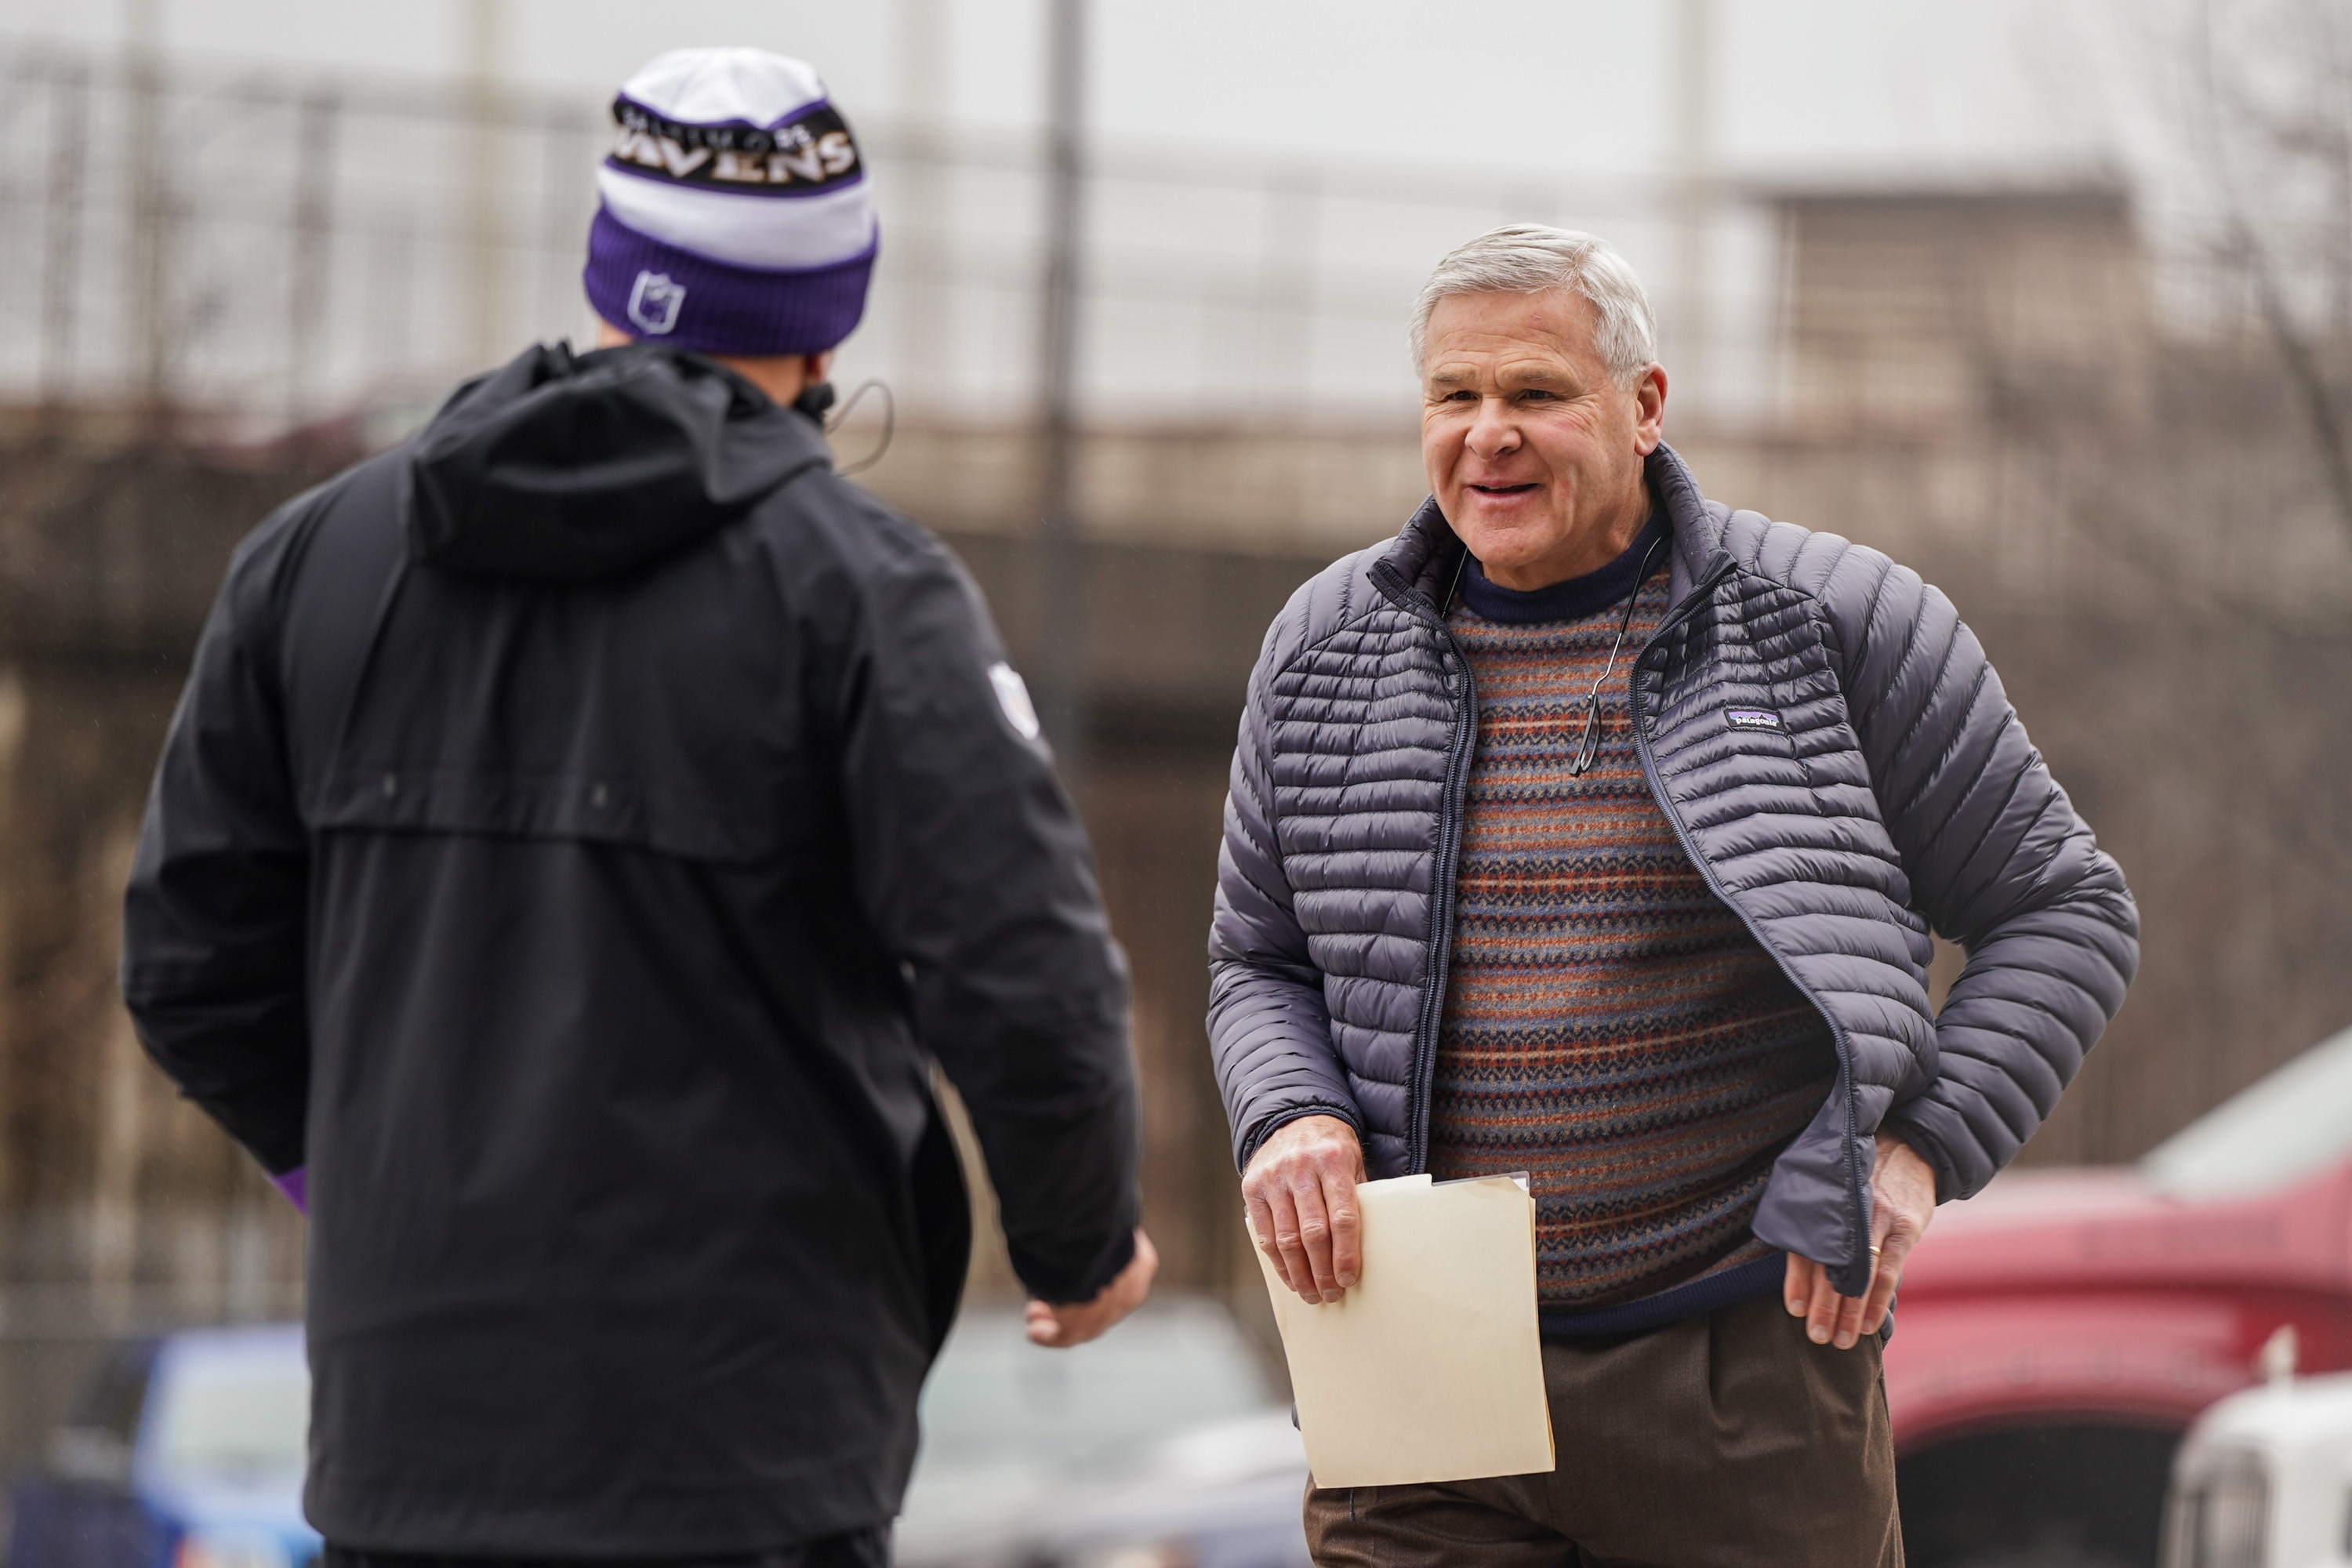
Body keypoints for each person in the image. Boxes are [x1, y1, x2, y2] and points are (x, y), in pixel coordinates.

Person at [122, 45, 1154, 1568]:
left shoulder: (317, 559)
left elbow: (189, 961)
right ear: (832, 314)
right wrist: (1079, 1240)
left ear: (610, 269)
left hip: (409, 1451)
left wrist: (349, 1180)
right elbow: (1027, 975)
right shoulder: (863, 589)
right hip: (746, 1458)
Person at [1207, 225, 2138, 1565]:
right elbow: (1258, 960)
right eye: (1454, 398)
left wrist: (1919, 1149)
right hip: (1417, 1375)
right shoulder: (1321, 650)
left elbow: (2065, 909)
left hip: (1739, 1377)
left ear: (1644, 408)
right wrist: (1289, 1111)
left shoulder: (1839, 622)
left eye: (1535, 395)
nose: (1488, 437)